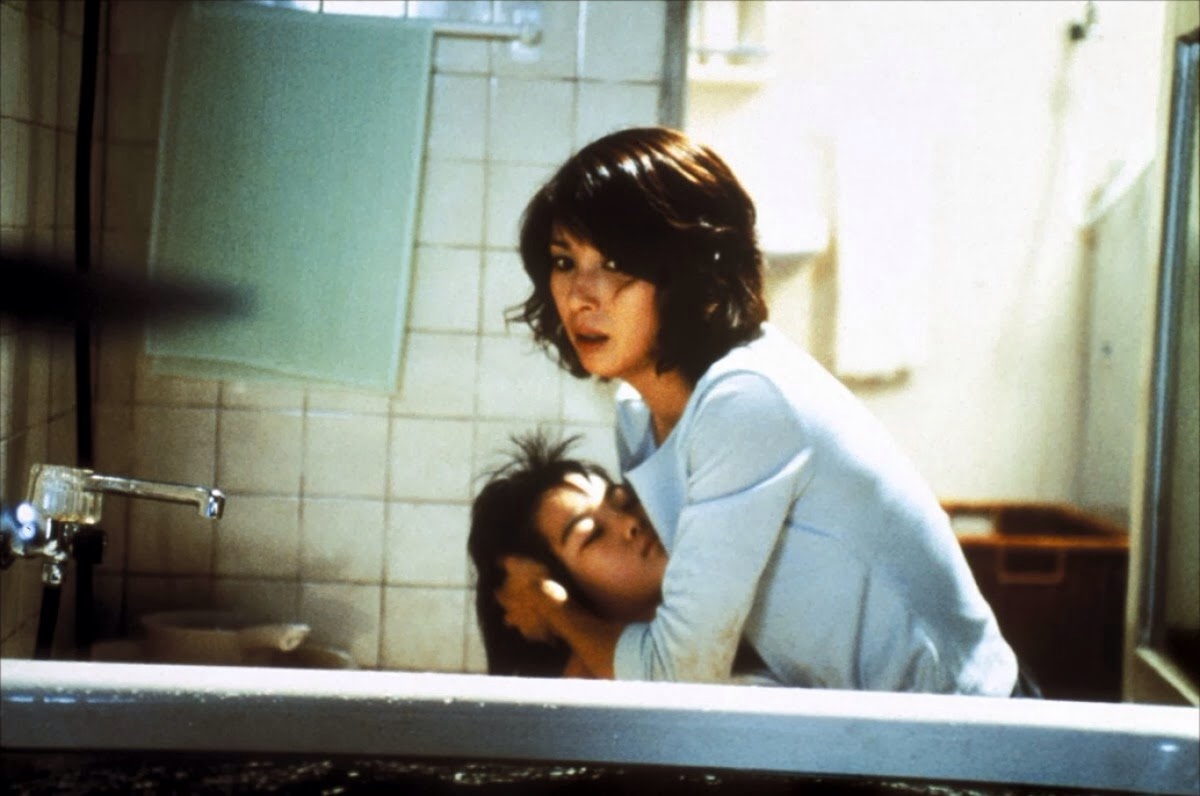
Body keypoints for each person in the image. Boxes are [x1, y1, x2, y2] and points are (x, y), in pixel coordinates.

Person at [493, 126, 1021, 695]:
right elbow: (699, 626)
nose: (581, 295)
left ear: (686, 272)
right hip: (872, 721)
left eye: (616, 262)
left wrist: (552, 609)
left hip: (968, 723)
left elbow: (680, 671)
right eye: (564, 261)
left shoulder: (745, 399)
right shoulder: (640, 417)